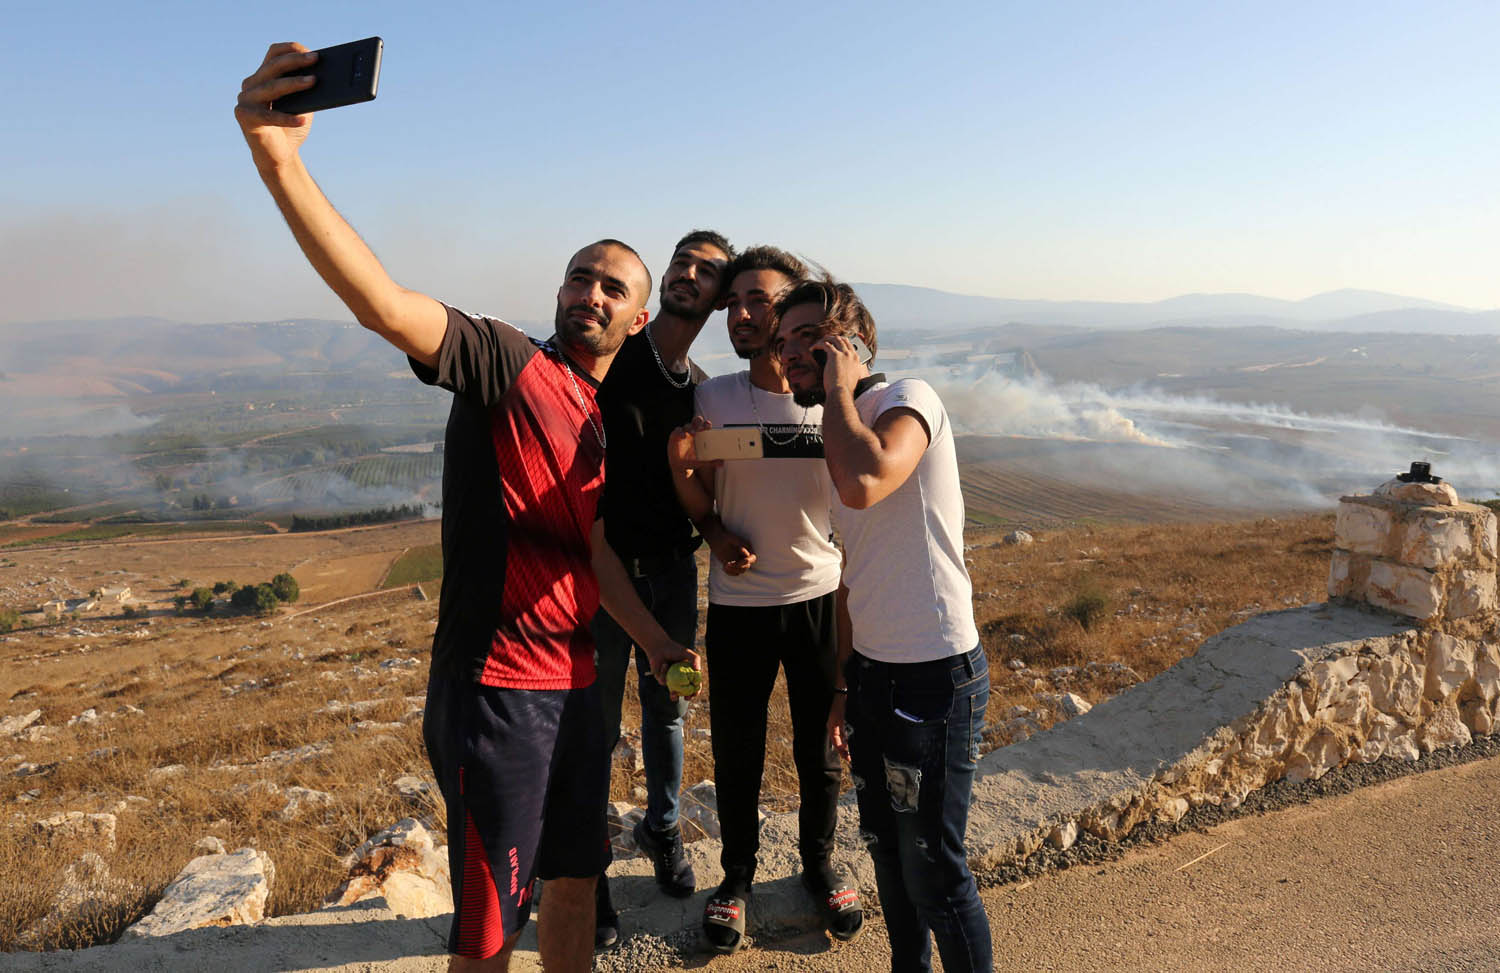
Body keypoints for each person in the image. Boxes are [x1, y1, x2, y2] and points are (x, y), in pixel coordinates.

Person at [234, 43, 695, 973]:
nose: (590, 294)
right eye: (579, 277)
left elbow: (593, 551)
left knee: (574, 882)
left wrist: (652, 638)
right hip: (499, 696)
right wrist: (280, 161)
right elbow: (386, 306)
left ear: (638, 320)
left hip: (578, 688)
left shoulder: (598, 422)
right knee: (491, 929)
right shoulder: (507, 362)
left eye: (613, 287)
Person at [774, 279, 992, 973]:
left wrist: (839, 388)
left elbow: (865, 481)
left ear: (852, 342)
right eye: (782, 345)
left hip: (934, 676)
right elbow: (851, 573)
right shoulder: (836, 427)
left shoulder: (908, 400)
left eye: (807, 338)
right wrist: (844, 683)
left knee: (935, 869)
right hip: (873, 675)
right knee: (888, 854)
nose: (789, 357)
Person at [665, 247, 862, 952]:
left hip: (817, 598)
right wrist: (713, 529)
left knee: (821, 750)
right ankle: (738, 879)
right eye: (736, 301)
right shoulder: (712, 397)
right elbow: (700, 491)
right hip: (739, 604)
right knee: (740, 749)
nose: (745, 314)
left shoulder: (833, 400)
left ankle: (820, 865)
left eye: (763, 301)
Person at [591, 229, 732, 946]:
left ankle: (664, 831)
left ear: (718, 295)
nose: (689, 274)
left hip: (674, 575)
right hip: (604, 575)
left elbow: (693, 486)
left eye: (707, 271)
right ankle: (585, 876)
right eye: (683, 262)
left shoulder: (698, 385)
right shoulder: (618, 361)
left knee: (669, 712)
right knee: (591, 725)